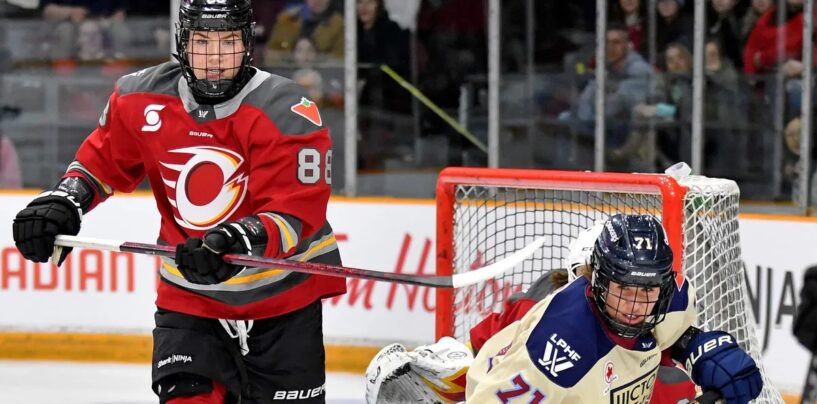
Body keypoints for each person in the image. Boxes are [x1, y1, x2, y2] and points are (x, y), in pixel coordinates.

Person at [12, 1, 346, 403]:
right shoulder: (139, 97)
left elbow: (295, 211)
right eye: (202, 41)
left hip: (282, 305)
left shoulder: (285, 108)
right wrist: (65, 200)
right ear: (183, 43)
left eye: (228, 41)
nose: (215, 57)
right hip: (190, 301)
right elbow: (100, 164)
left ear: (248, 44)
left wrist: (234, 241)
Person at [366, 214, 763, 404]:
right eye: (623, 289)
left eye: (647, 291)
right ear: (596, 280)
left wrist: (697, 346)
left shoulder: (666, 298)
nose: (634, 307)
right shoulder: (557, 353)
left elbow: (671, 326)